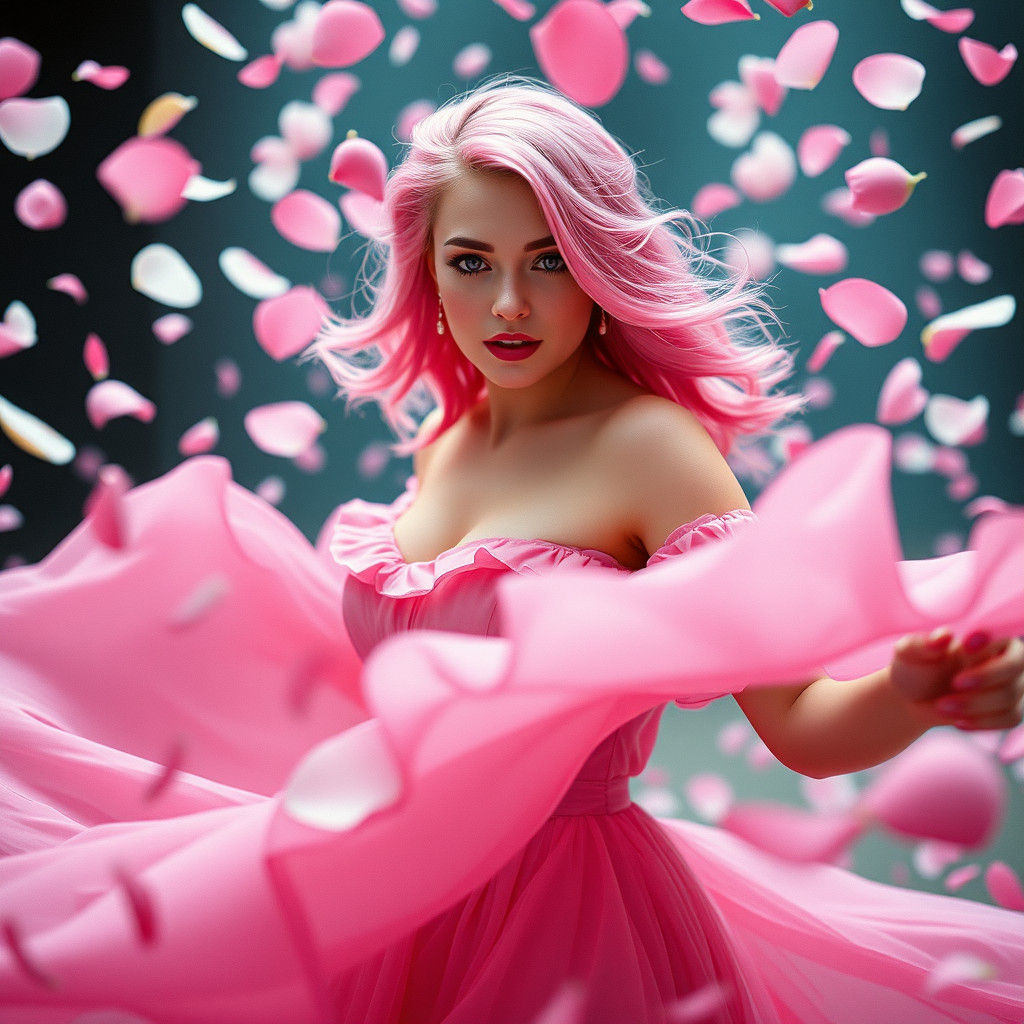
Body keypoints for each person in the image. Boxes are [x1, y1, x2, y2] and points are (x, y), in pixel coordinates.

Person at [0, 78, 1022, 1024]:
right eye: (471, 262)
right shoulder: (445, 442)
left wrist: (911, 686)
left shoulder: (650, 447)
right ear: (428, 268)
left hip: (574, 917)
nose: (508, 307)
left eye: (548, 260)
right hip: (400, 901)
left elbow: (800, 724)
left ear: (598, 260)